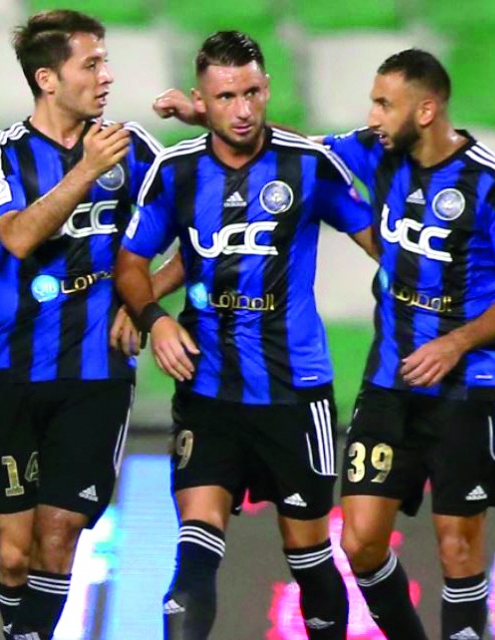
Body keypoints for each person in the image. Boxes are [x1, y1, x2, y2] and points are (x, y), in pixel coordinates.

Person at [118, 31, 377, 640]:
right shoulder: (176, 171)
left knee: (309, 558)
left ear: (267, 90)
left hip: (296, 391)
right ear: (201, 101)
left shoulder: (307, 165)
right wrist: (155, 319)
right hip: (208, 389)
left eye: (252, 93)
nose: (242, 109)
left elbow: (380, 245)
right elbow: (131, 263)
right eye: (226, 97)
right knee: (194, 551)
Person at [325, 50, 495, 640]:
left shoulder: (494, 182)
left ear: (425, 111)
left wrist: (455, 344)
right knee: (359, 541)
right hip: (389, 382)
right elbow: (300, 148)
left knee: (457, 547)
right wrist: (213, 117)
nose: (372, 117)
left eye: (384, 104)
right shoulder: (376, 152)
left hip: (467, 389)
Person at [0, 10, 172, 640]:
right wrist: (85, 169)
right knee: (13, 554)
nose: (107, 76)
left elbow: (199, 226)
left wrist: (140, 302)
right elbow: (18, 236)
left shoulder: (134, 148)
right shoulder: (0, 151)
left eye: (105, 62)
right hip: (18, 368)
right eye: (92, 64)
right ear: (48, 78)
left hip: (98, 370)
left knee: (58, 534)